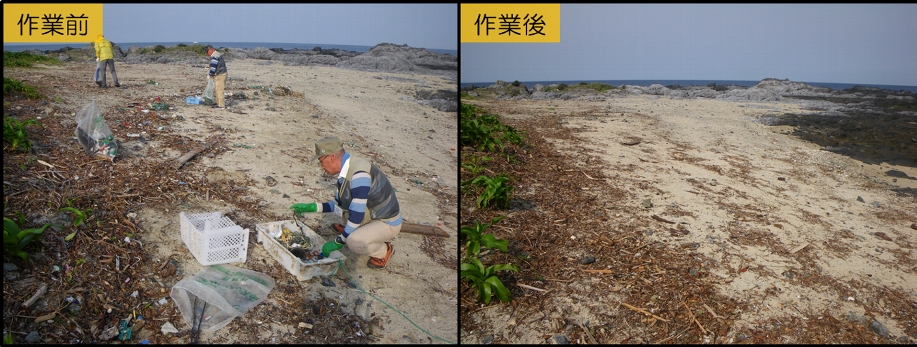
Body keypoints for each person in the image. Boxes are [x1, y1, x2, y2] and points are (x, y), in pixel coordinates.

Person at [291, 136, 402, 269]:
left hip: (385, 221)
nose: (321, 167)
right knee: (346, 212)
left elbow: (356, 216)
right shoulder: (346, 170)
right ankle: (353, 230)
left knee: (353, 241)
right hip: (369, 213)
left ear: (330, 158)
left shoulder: (359, 175)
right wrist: (313, 207)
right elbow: (339, 205)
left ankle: (384, 251)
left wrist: (339, 241)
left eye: (321, 161)